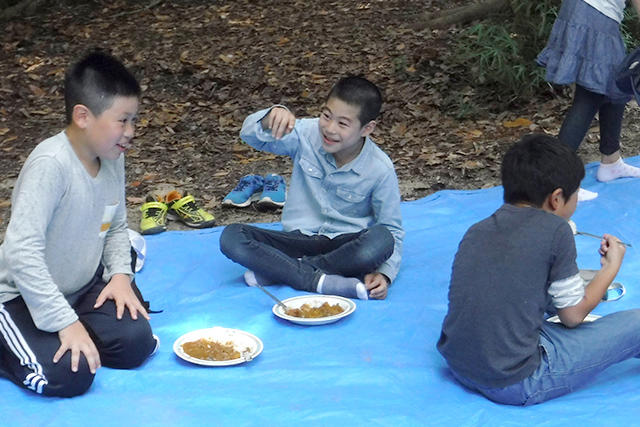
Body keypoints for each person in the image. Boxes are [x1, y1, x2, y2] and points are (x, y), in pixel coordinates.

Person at [436, 133, 640, 405]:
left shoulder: (478, 229)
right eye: (576, 194)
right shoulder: (556, 232)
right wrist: (610, 268)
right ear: (557, 198)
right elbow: (572, 316)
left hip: (460, 365)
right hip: (517, 381)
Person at [0, 51, 158, 397]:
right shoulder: (51, 166)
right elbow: (20, 254)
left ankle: (62, 328)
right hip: (19, 296)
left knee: (135, 344)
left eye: (134, 120)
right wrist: (65, 322)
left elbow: (115, 227)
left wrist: (120, 276)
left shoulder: (112, 158)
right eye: (123, 120)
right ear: (83, 116)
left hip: (78, 288)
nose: (130, 132)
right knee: (70, 375)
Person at [219, 76, 404, 300]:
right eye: (326, 116)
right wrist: (270, 117)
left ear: (367, 128)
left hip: (345, 248)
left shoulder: (379, 168)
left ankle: (281, 271)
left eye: (343, 123)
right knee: (232, 236)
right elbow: (251, 136)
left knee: (381, 240)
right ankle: (319, 281)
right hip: (297, 240)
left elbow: (391, 229)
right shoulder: (306, 134)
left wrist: (384, 274)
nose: (329, 128)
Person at [537, 0, 640, 201]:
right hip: (595, 13)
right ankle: (558, 181)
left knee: (615, 85)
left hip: (583, 8)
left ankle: (611, 161)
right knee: (589, 97)